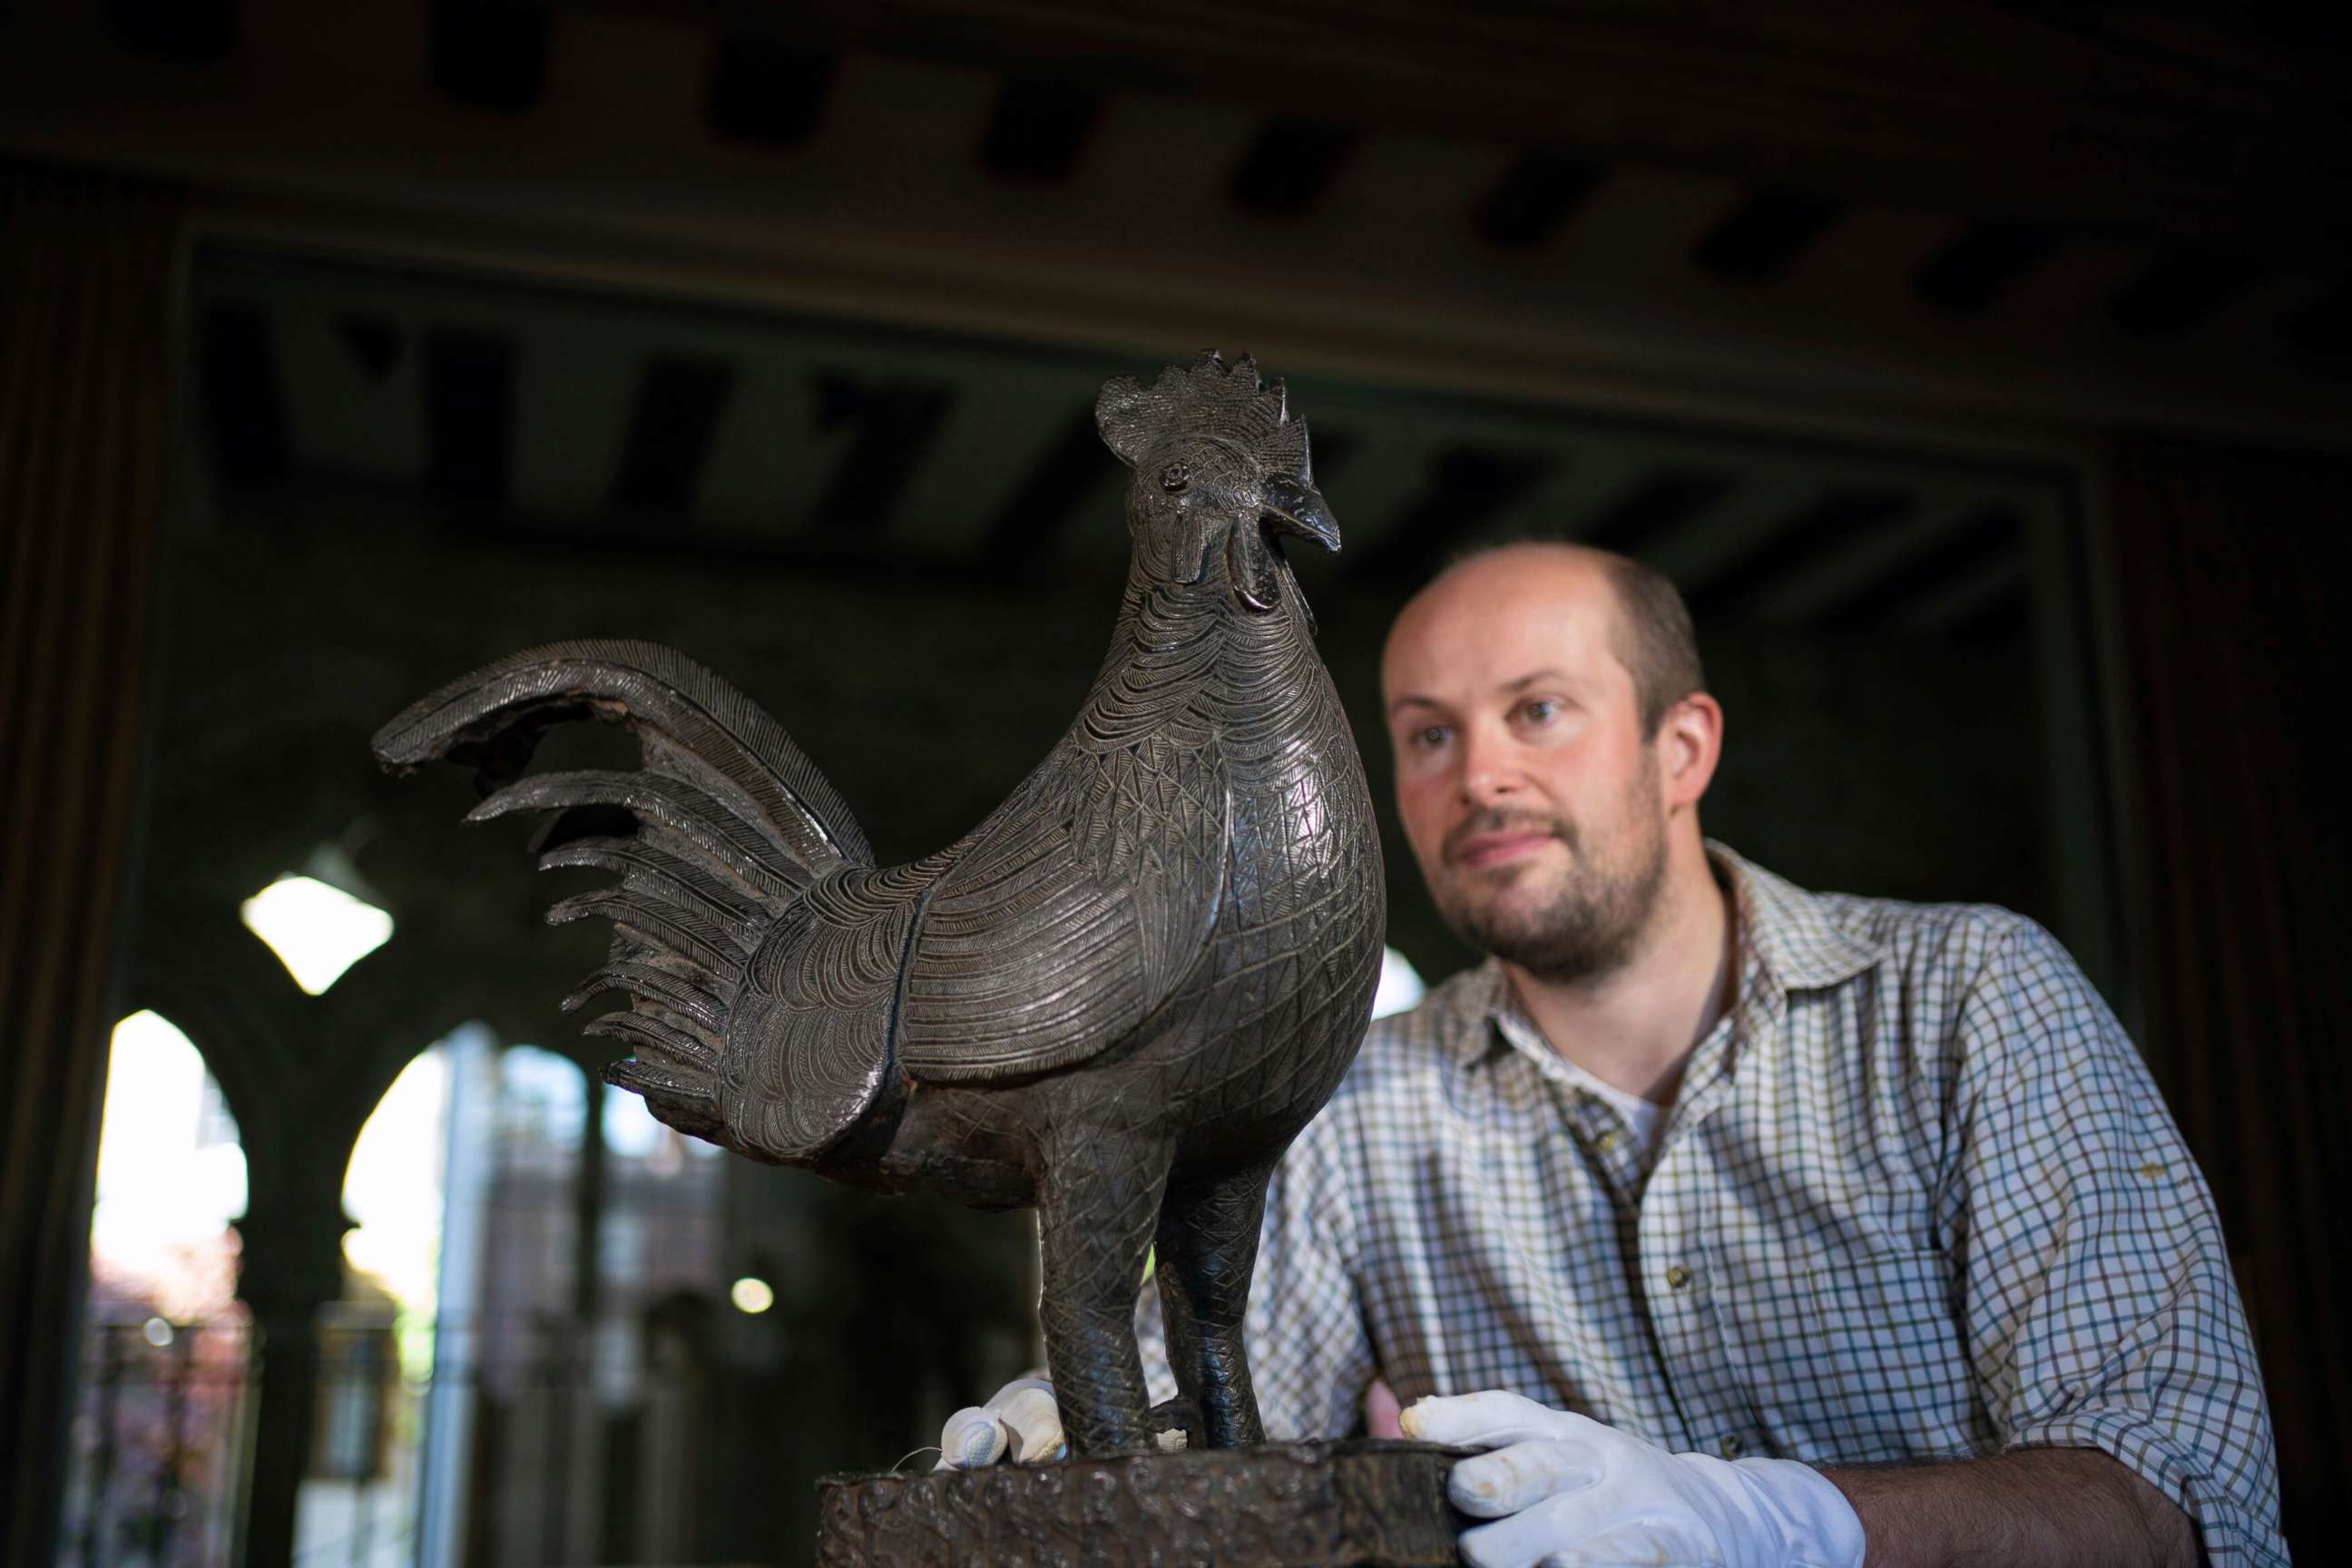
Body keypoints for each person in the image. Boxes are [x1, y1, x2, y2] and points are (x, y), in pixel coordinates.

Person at [944, 543, 2286, 1567]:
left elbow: (2175, 1491)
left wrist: (1779, 1524)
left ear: (1681, 747)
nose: (1480, 779)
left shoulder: (1971, 999)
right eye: (1428, 734)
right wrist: (1079, 1438)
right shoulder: (1360, 1100)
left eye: (1539, 711)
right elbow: (1219, 1430)